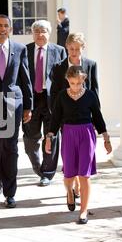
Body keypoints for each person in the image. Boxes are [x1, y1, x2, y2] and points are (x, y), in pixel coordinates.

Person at [45, 66, 112, 224]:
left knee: (84, 174)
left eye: (78, 83)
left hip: (86, 135)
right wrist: (49, 137)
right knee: (69, 174)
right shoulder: (62, 96)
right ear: (68, 80)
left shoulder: (90, 96)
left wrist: (106, 139)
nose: (75, 86)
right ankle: (69, 191)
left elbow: (98, 117)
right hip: (68, 134)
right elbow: (55, 119)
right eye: (72, 83)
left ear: (83, 80)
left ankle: (83, 211)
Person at [0, 15, 33, 208]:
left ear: (10, 29)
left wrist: (28, 105)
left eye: (6, 26)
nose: (3, 29)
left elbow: (25, 78)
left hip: (12, 104)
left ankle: (10, 193)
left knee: (10, 147)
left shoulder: (20, 49)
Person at [50, 32, 99, 196]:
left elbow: (94, 92)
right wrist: (56, 117)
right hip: (66, 120)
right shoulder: (58, 67)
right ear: (67, 48)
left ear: (82, 48)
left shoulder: (91, 65)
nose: (74, 52)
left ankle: (80, 182)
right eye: (71, 48)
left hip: (85, 119)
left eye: (77, 49)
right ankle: (75, 181)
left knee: (84, 154)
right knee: (70, 154)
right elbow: (54, 93)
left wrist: (96, 119)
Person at [23, 20, 67, 187]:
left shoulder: (60, 51)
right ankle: (38, 167)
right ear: (33, 33)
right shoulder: (24, 51)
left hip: (52, 101)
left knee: (52, 136)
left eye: (43, 31)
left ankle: (47, 173)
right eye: (37, 31)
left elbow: (64, 79)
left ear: (49, 33)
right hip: (31, 100)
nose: (40, 34)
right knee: (29, 139)